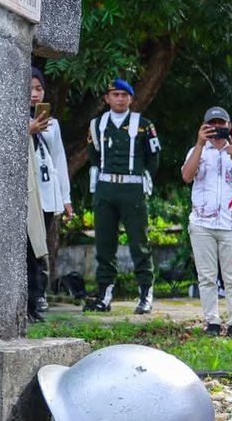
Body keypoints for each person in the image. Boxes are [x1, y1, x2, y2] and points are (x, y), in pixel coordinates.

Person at [85, 78, 159, 312]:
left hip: (132, 188)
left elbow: (154, 157)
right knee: (104, 244)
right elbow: (93, 154)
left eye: (124, 95)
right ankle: (104, 295)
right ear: (107, 98)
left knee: (139, 242)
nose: (119, 99)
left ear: (131, 98)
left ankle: (145, 294)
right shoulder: (97, 124)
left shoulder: (143, 124)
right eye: (115, 95)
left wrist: (142, 178)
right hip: (106, 188)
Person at [181, 105, 232, 334]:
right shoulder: (197, 150)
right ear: (205, 126)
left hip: (230, 223)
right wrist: (199, 144)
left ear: (229, 126)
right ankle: (212, 322)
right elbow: (186, 176)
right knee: (206, 277)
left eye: (221, 123)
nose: (217, 128)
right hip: (202, 224)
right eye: (213, 124)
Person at [27, 68, 71, 321]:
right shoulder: (14, 122)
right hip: (26, 194)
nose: (34, 94)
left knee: (39, 247)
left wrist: (65, 198)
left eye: (38, 89)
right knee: (25, 249)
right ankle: (28, 301)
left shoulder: (51, 125)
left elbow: (59, 160)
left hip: (45, 193)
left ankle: (38, 296)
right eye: (30, 88)